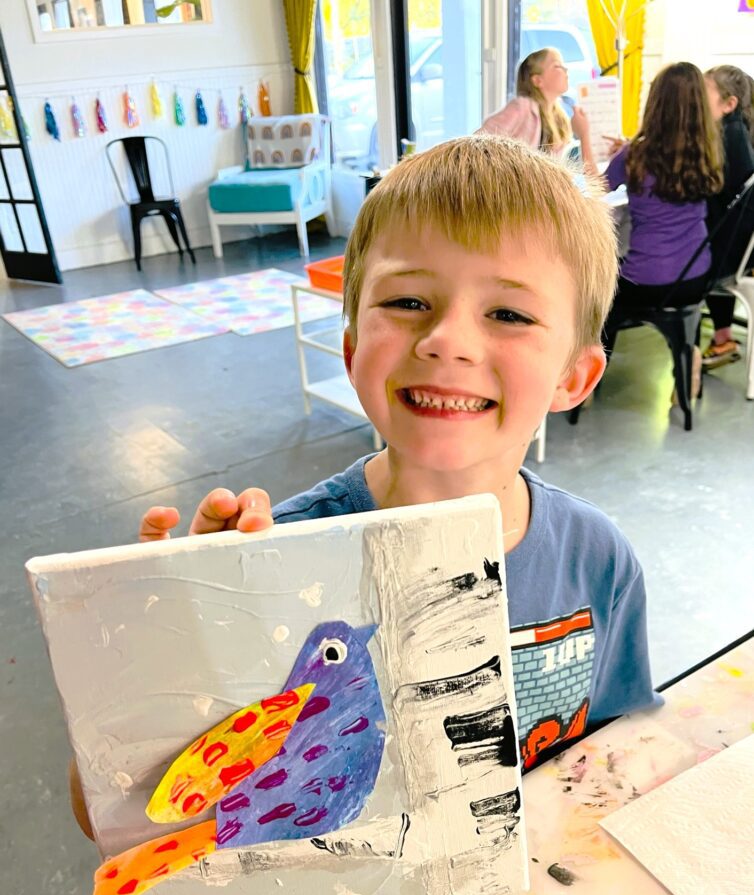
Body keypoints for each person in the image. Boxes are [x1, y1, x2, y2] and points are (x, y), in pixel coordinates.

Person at [133, 134, 658, 784]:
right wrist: (167, 650)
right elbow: (132, 806)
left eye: (508, 312)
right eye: (408, 302)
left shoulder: (596, 559)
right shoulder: (272, 560)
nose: (446, 340)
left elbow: (617, 750)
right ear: (352, 352)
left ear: (573, 378)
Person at [603, 62, 724, 396]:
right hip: (695, 277)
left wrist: (585, 134)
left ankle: (588, 375)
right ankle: (685, 367)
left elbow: (592, 187)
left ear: (655, 103)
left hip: (645, 280)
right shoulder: (708, 153)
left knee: (594, 291)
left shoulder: (634, 155)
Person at [702, 64, 754, 368]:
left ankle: (695, 352)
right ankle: (723, 337)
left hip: (726, 257)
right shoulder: (738, 133)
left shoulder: (726, 139)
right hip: (742, 252)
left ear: (729, 103)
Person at [479, 48, 597, 174]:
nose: (566, 70)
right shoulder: (521, 107)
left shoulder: (560, 117)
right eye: (557, 66)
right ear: (537, 80)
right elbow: (479, 141)